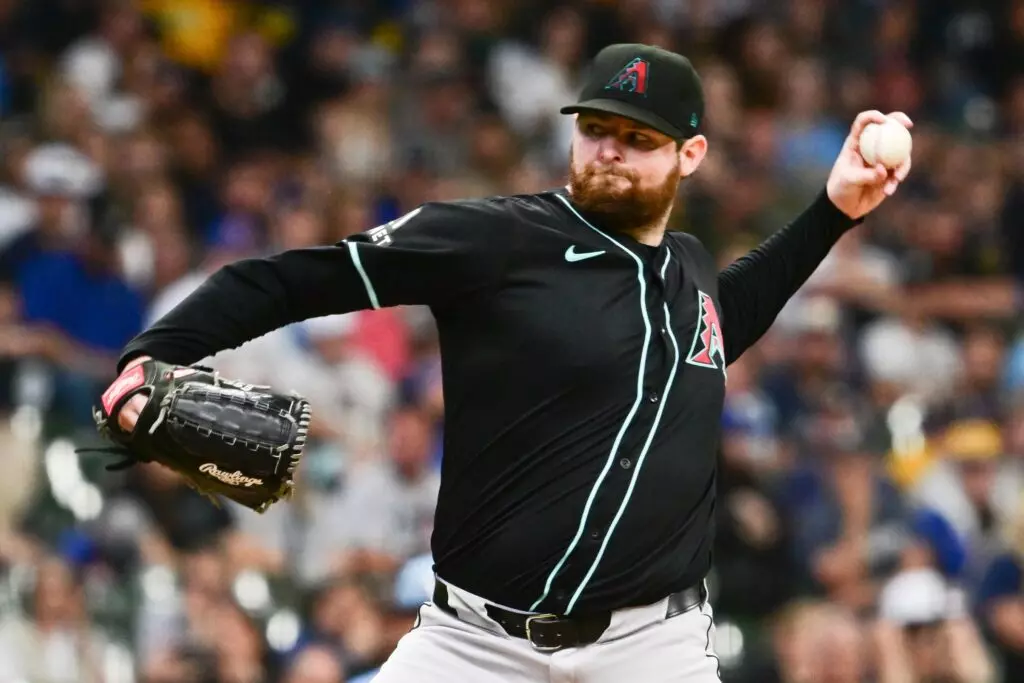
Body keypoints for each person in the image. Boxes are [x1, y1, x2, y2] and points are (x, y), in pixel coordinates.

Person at [105, 44, 912, 682]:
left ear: (689, 154)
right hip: (475, 644)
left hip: (652, 649)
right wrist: (156, 352)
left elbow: (722, 322)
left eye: (638, 139)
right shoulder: (496, 239)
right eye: (596, 128)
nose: (610, 151)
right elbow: (296, 276)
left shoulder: (689, 272)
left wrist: (833, 211)